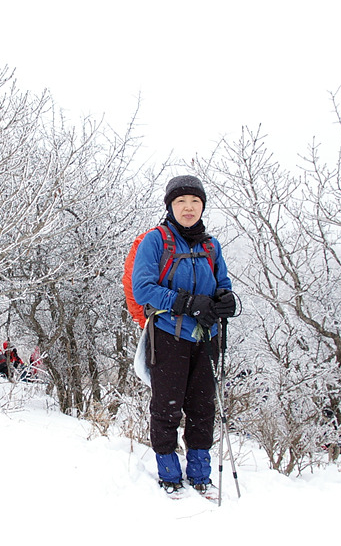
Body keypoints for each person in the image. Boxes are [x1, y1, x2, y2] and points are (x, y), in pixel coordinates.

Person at [131, 175, 236, 496]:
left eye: (195, 202)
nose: (188, 208)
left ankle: (201, 472)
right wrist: (187, 303)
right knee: (167, 406)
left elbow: (223, 285)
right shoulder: (156, 240)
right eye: (181, 202)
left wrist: (226, 302)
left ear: (202, 206)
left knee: (203, 407)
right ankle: (168, 472)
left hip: (206, 338)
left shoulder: (210, 245)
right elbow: (142, 288)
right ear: (170, 206)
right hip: (167, 335)